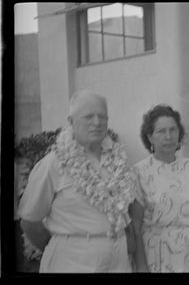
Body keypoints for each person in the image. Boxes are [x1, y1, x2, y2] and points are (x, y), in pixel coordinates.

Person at [18, 90, 136, 273]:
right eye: (88, 116)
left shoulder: (118, 160)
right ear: (71, 121)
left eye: (102, 116)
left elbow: (123, 211)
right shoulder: (52, 164)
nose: (97, 122)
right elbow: (29, 222)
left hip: (119, 260)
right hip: (73, 261)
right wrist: (63, 247)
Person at [130, 104, 189, 273]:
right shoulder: (139, 172)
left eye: (173, 130)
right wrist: (141, 265)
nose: (168, 136)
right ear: (150, 137)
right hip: (156, 253)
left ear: (179, 133)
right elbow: (136, 225)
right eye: (161, 131)